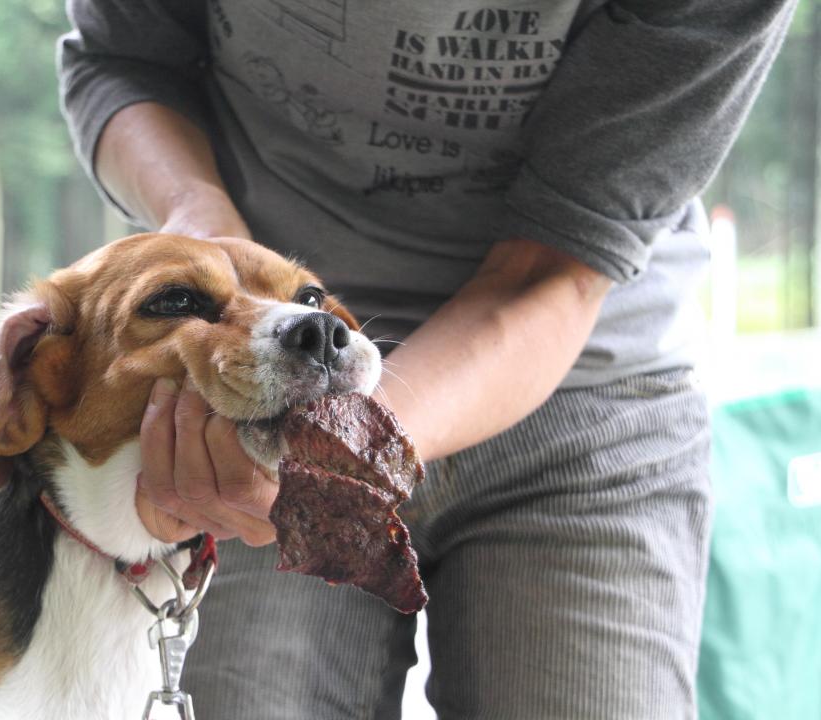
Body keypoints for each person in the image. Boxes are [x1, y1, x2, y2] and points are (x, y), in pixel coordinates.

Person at [57, 2, 795, 717]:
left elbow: (548, 272)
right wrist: (206, 237)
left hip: (586, 403)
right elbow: (126, 57)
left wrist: (347, 445)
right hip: (253, 415)